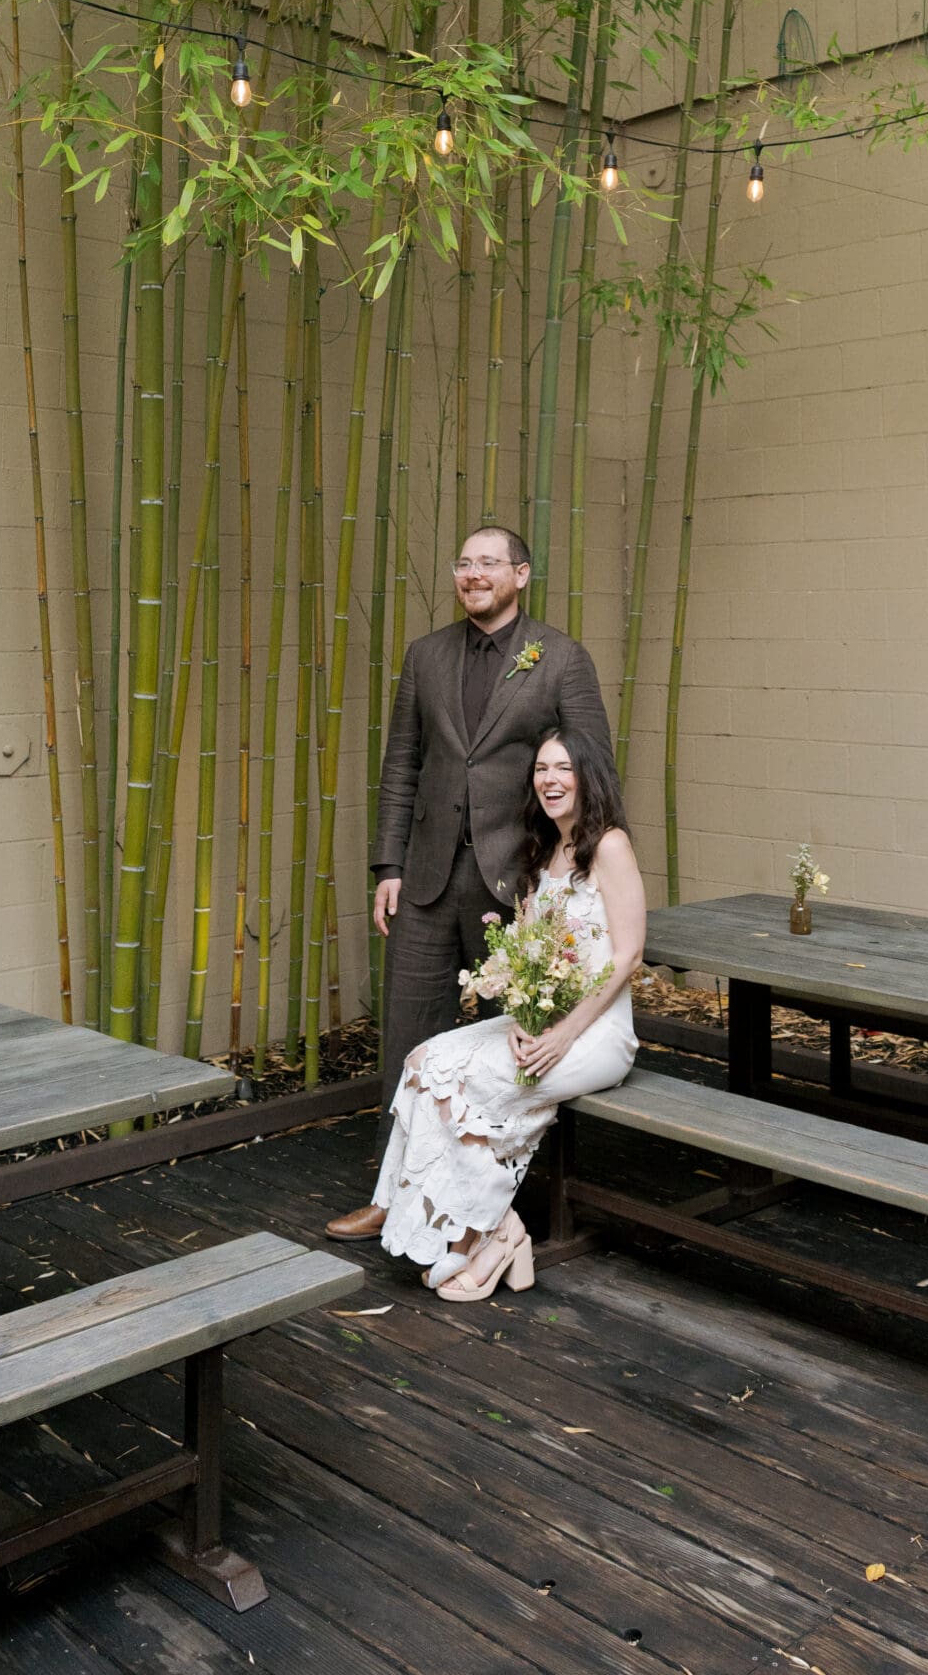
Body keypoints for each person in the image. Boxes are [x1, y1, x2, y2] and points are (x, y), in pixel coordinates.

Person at [324, 527, 612, 1243]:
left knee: (511, 1045)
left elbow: (590, 769)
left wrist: (571, 871)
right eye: (462, 563)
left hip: (515, 883)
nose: (473, 574)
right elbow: (402, 767)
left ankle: (493, 1201)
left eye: (488, 563)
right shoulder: (425, 655)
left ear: (520, 573)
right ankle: (393, 1196)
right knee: (410, 1038)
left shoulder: (561, 658)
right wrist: (387, 867)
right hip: (425, 878)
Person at [373, 727, 643, 1297]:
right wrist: (522, 1016)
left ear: (586, 775)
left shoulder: (611, 845)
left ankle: (476, 1239)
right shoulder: (543, 849)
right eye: (542, 769)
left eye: (563, 768)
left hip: (596, 1034)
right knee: (425, 1063)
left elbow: (628, 957)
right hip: (542, 1024)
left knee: (471, 1086)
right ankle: (503, 1229)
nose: (550, 780)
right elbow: (529, 959)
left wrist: (564, 1034)